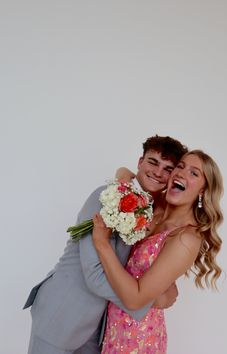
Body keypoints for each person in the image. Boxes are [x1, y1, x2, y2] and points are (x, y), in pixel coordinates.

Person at [23, 134, 188, 354]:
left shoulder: (151, 212)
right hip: (62, 311)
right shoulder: (105, 198)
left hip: (99, 325)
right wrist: (148, 301)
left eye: (168, 169)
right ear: (140, 162)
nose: (158, 172)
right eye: (153, 162)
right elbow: (94, 273)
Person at [92, 149, 223, 354]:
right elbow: (125, 171)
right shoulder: (156, 206)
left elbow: (135, 300)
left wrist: (102, 245)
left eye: (194, 173)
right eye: (180, 166)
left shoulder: (185, 238)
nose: (181, 173)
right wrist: (123, 180)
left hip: (138, 338)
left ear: (203, 191)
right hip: (111, 327)